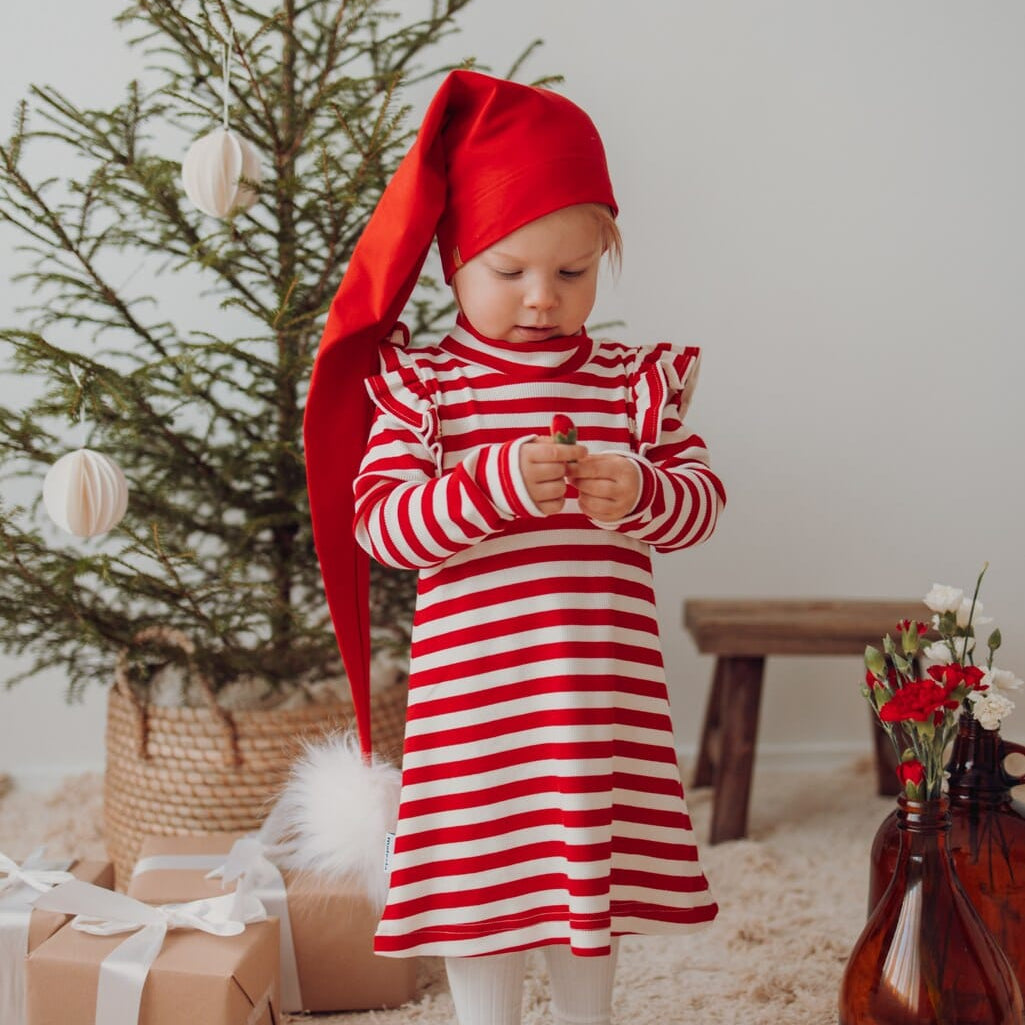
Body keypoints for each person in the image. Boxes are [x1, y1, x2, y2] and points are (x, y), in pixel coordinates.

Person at [304, 69, 726, 1025]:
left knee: (591, 880)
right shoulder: (429, 389)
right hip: (477, 705)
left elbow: (699, 505)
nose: (543, 297)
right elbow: (384, 523)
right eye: (512, 271)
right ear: (455, 258)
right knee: (479, 882)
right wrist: (493, 484)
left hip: (593, 698)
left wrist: (644, 491)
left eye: (573, 273)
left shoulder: (630, 386)